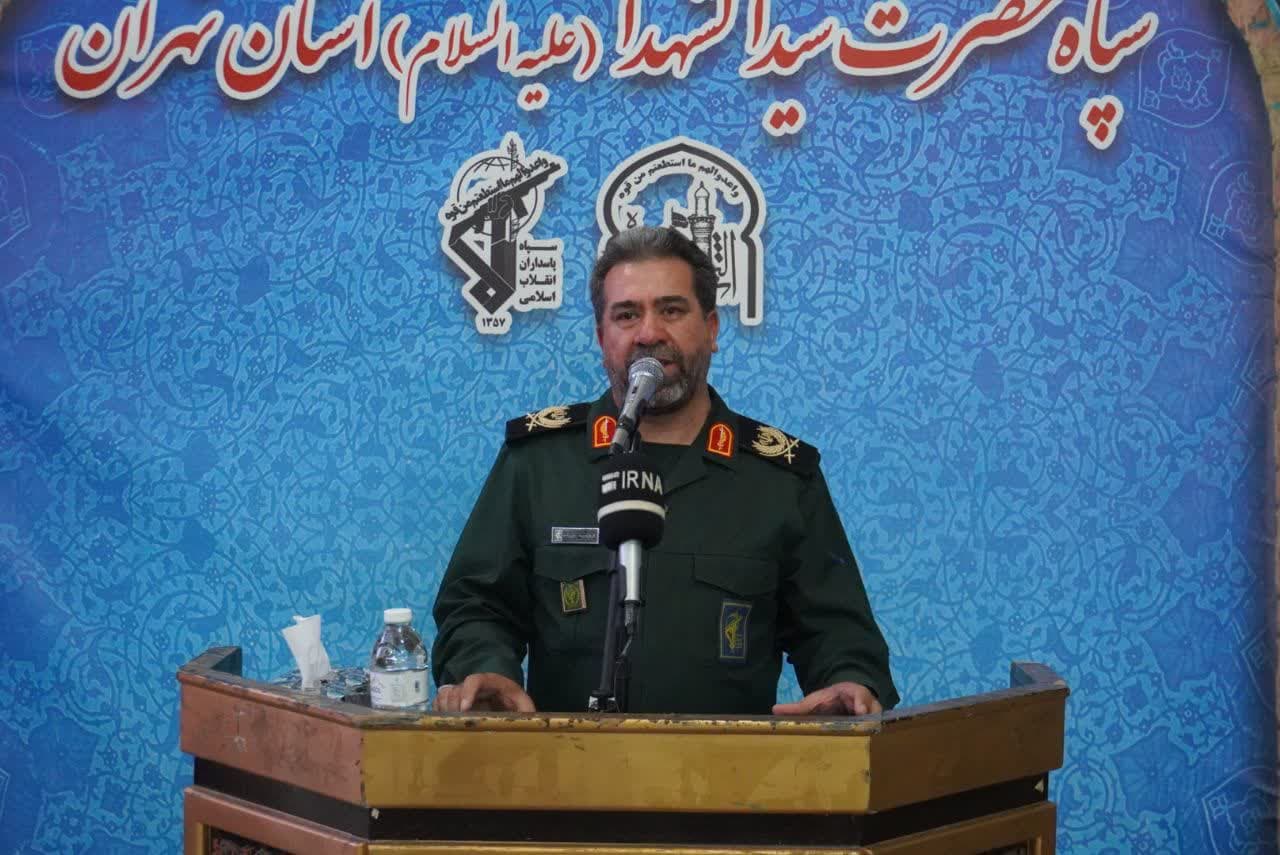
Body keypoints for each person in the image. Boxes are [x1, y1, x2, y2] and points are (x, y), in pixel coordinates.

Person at [432, 226, 897, 716]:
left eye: (671, 310)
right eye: (627, 315)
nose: (649, 334)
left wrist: (849, 683)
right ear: (602, 338)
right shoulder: (539, 463)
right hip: (564, 760)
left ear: (712, 329)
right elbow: (475, 605)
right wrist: (486, 667)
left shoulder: (779, 480)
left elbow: (839, 632)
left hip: (728, 763)